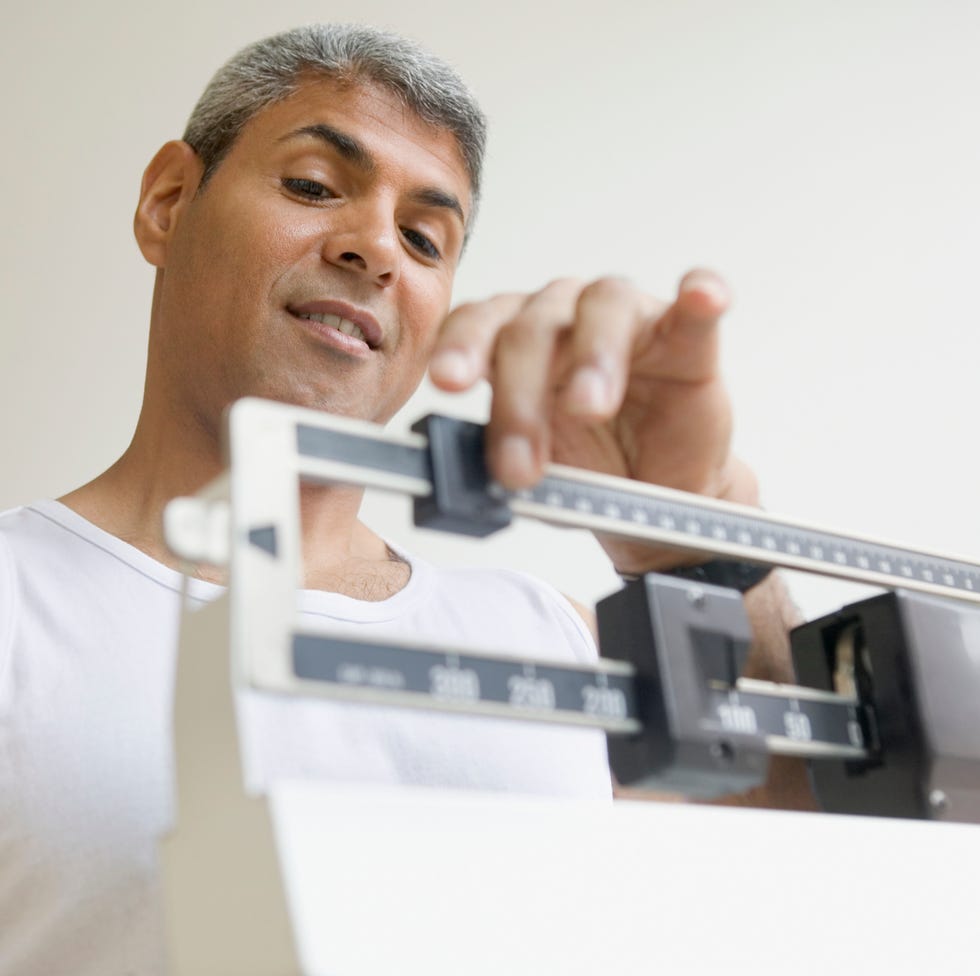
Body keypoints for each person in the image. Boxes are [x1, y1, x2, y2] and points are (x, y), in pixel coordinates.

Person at [0, 23, 808, 976]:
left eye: (425, 238)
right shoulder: (19, 600)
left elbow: (812, 863)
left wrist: (698, 527)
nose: (376, 248)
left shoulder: (547, 639)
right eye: (312, 186)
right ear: (170, 203)